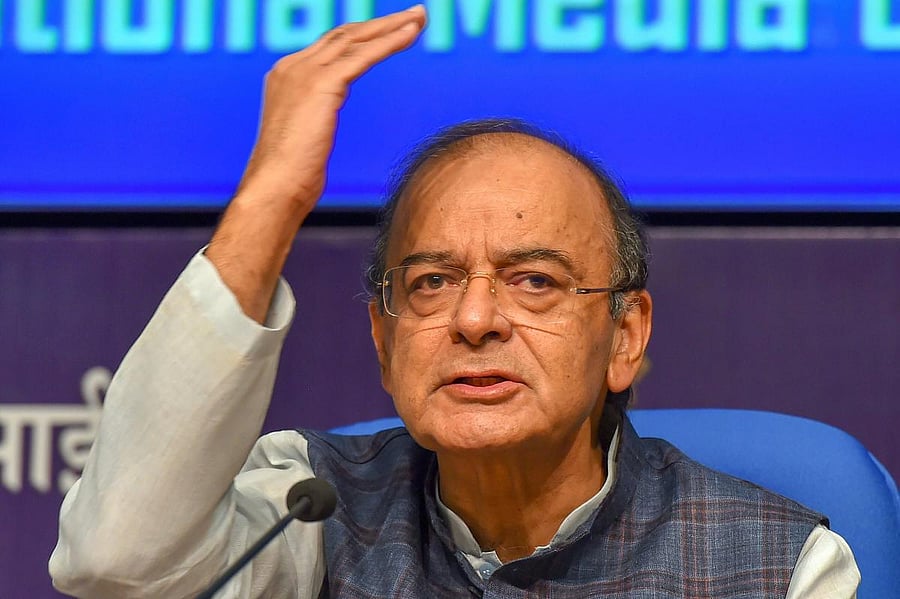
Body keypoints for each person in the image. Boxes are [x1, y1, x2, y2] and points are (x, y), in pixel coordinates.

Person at [49, 5, 859, 598]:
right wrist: (271, 199)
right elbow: (117, 563)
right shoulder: (305, 514)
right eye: (431, 283)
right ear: (383, 335)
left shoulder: (784, 566)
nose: (474, 321)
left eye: (534, 280)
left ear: (625, 334)